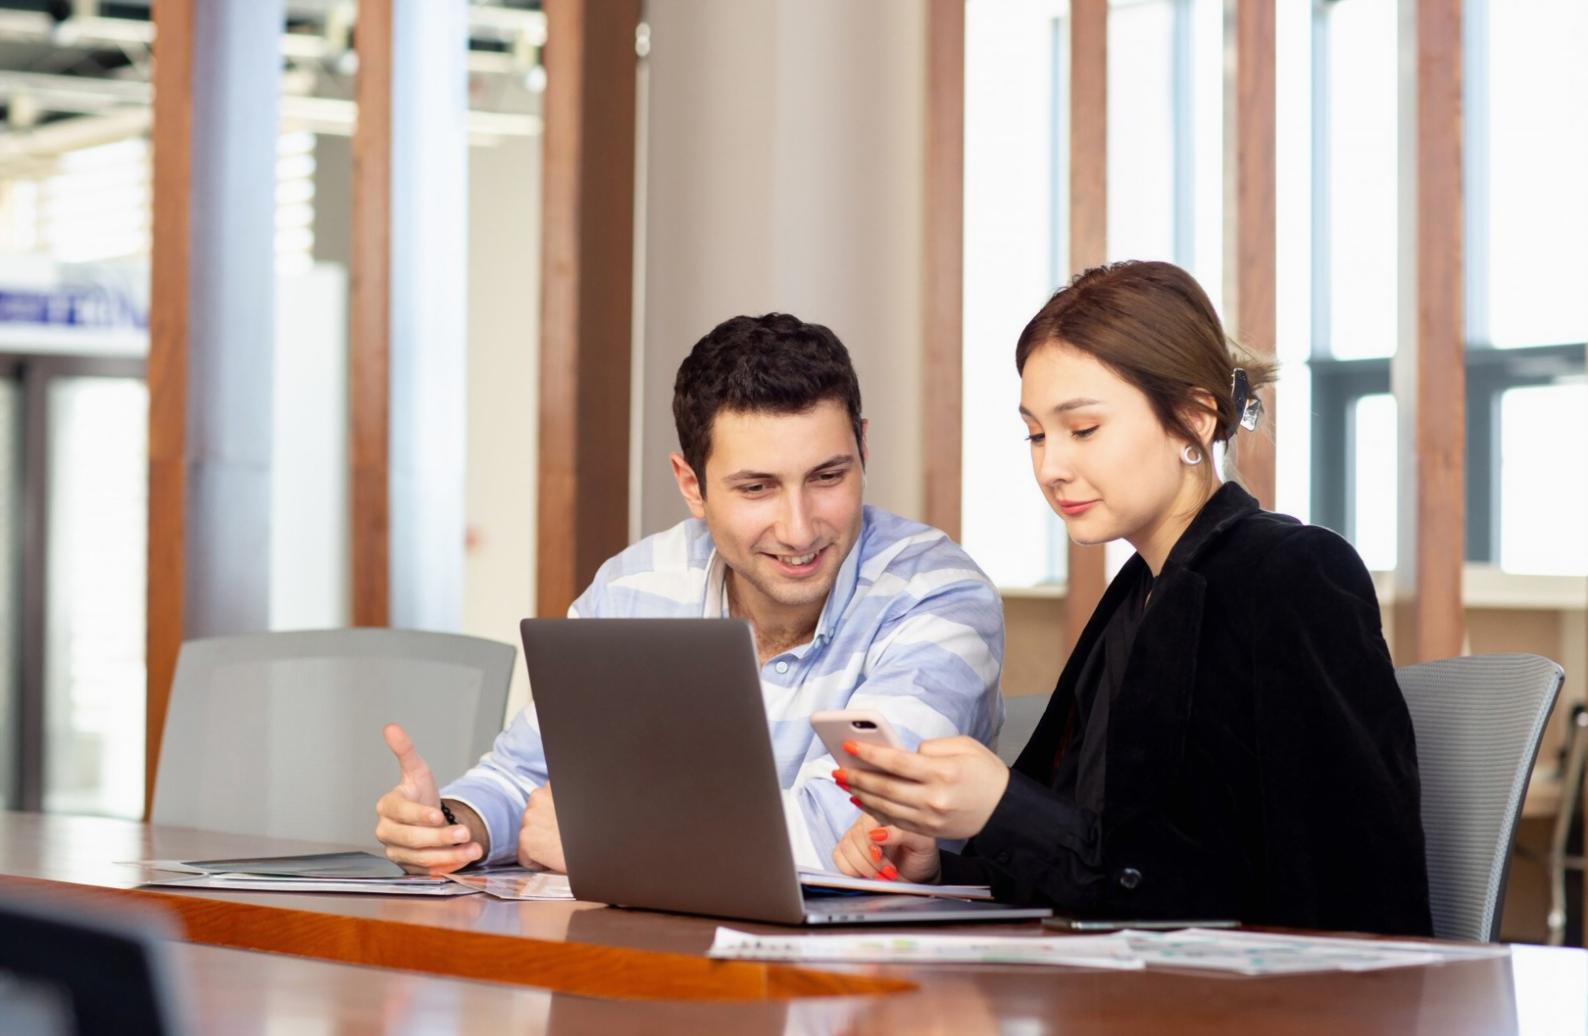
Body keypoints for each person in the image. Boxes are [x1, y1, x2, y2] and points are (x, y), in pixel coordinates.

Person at [830, 261, 1433, 935]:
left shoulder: (1291, 575)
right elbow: (1098, 861)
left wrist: (1005, 810)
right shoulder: (1136, 598)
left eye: (1083, 429)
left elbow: (1305, 887)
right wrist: (942, 865)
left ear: (1195, 418)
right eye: (1036, 434)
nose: (1051, 466)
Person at [374, 313, 1004, 875]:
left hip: (870, 982)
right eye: (756, 488)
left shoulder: (937, 594)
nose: (800, 527)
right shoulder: (635, 588)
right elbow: (529, 778)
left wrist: (610, 840)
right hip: (653, 962)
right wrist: (453, 826)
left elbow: (851, 831)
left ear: (863, 448)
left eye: (828, 477)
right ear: (692, 486)